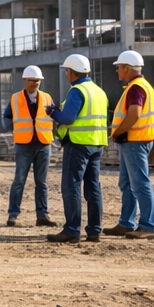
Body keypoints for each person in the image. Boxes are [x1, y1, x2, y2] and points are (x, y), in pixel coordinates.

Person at [45, 53, 107, 244]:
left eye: (67, 72)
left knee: (71, 186)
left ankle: (72, 230)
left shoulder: (77, 90)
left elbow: (68, 118)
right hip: (96, 143)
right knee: (93, 187)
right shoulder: (99, 91)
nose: (66, 75)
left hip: (78, 144)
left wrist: (53, 112)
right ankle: (94, 231)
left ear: (72, 72)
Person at [106, 49, 154, 239]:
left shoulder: (136, 88)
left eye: (119, 67)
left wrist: (119, 132)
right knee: (128, 184)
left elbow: (134, 113)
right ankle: (126, 223)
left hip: (135, 141)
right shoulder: (142, 86)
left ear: (127, 68)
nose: (117, 71)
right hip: (136, 140)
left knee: (139, 184)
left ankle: (148, 225)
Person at [6, 65, 55, 227]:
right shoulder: (15, 98)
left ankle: (42, 215)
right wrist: (13, 129)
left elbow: (55, 115)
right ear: (24, 80)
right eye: (31, 80)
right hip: (23, 145)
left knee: (42, 183)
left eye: (37, 81)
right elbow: (6, 117)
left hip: (43, 144)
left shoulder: (47, 98)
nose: (35, 83)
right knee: (19, 181)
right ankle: (13, 215)